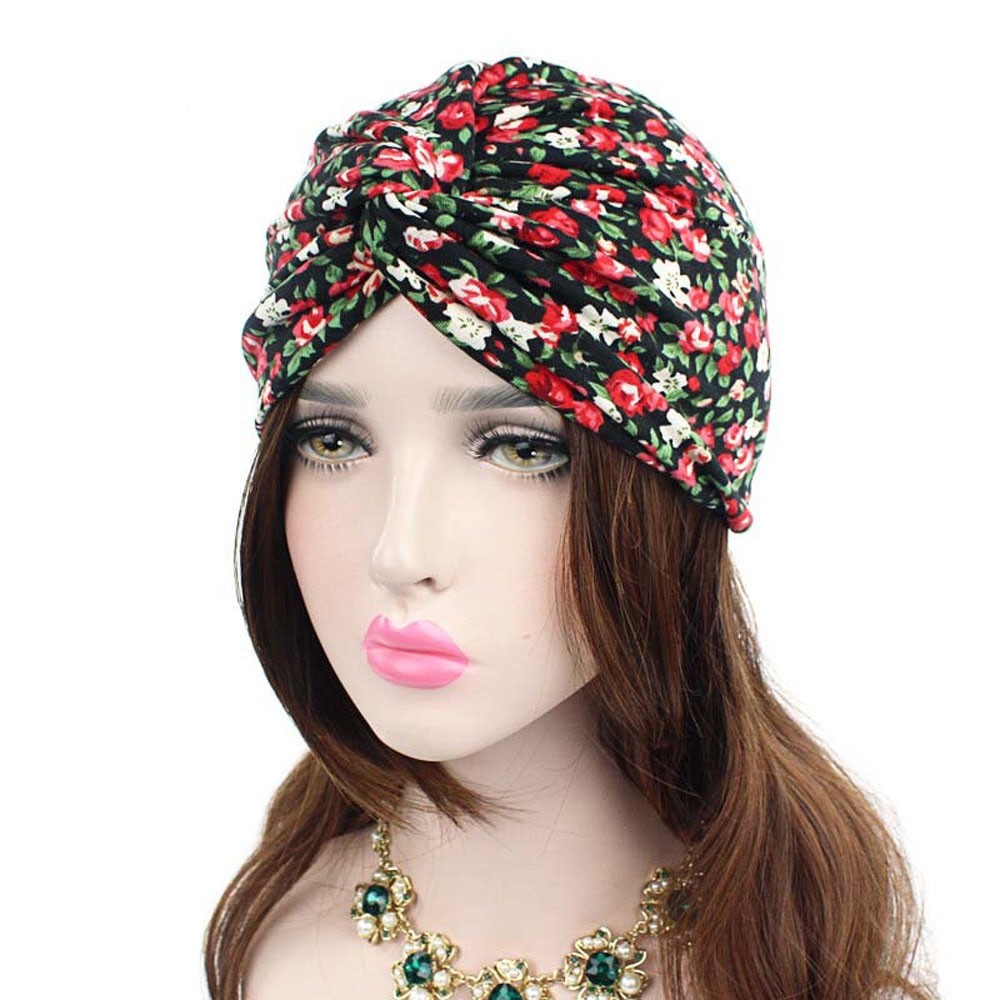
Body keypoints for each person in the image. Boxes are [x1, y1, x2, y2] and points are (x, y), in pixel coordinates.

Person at [204, 55, 939, 1000]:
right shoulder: (283, 941)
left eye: (518, 449)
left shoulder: (794, 966)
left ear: (674, 489)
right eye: (335, 440)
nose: (399, 552)